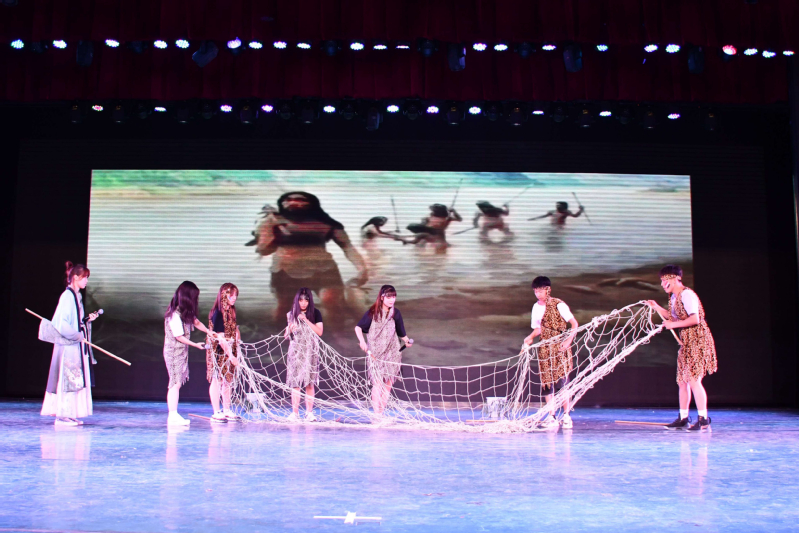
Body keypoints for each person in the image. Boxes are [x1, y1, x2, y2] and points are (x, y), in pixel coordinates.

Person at [251, 191, 368, 322]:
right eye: (288, 199)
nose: (293, 202)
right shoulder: (270, 223)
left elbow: (347, 247)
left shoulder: (326, 223)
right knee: (284, 307)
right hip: (285, 270)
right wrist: (275, 232)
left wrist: (362, 268)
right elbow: (264, 250)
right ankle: (280, 333)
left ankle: (338, 332)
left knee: (331, 301)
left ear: (311, 204)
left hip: (323, 268)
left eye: (300, 200)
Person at [645, 265, 717, 431]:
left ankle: (703, 419)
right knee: (682, 381)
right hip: (686, 341)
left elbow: (695, 319)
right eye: (661, 281)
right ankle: (683, 418)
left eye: (664, 280)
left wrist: (673, 325)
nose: (662, 284)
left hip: (697, 339)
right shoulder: (674, 297)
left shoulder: (687, 294)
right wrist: (656, 307)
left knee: (693, 379)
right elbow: (673, 317)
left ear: (674, 279)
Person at [41, 262, 101, 426]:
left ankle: (70, 413)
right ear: (75, 277)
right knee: (67, 380)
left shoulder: (77, 296)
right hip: (68, 347)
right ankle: (62, 415)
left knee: (74, 380)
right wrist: (77, 335)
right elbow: (62, 324)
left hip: (75, 345)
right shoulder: (67, 297)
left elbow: (76, 322)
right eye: (84, 277)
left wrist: (86, 321)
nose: (86, 281)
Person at [523, 276, 579, 430]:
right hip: (545, 347)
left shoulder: (559, 304)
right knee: (547, 383)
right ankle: (551, 416)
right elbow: (538, 329)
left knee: (563, 381)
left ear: (548, 290)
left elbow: (574, 324)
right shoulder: (536, 307)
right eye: (535, 291)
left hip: (560, 346)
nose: (538, 294)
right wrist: (530, 337)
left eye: (541, 290)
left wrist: (568, 341)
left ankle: (566, 415)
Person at [163, 281, 218, 426]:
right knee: (174, 382)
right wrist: (195, 345)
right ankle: (172, 415)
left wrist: (208, 332)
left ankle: (173, 414)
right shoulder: (174, 314)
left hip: (180, 352)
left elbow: (196, 322)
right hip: (173, 353)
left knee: (177, 382)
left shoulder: (184, 312)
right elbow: (179, 337)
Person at [354, 285, 412, 419]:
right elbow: (358, 328)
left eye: (394, 297)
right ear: (382, 297)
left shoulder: (396, 313)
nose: (392, 300)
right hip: (376, 352)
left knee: (388, 384)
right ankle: (376, 413)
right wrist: (362, 341)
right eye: (389, 297)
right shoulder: (373, 312)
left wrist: (407, 341)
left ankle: (380, 413)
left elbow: (401, 332)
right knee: (378, 383)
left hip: (392, 351)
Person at [284, 288, 324, 422]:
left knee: (309, 383)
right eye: (300, 300)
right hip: (295, 352)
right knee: (295, 383)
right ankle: (294, 413)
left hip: (310, 352)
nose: (303, 303)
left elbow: (319, 332)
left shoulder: (316, 313)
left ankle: (309, 413)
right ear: (297, 301)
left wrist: (306, 320)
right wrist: (289, 329)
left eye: (306, 300)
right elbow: (286, 335)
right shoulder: (291, 314)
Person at [207, 283, 241, 423]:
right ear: (224, 295)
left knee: (228, 379)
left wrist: (237, 336)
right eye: (231, 295)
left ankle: (227, 409)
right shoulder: (218, 313)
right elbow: (220, 338)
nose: (234, 298)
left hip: (230, 350)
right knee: (216, 379)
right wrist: (231, 356)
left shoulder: (231, 312)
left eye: (235, 295)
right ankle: (216, 411)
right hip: (218, 351)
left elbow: (234, 329)